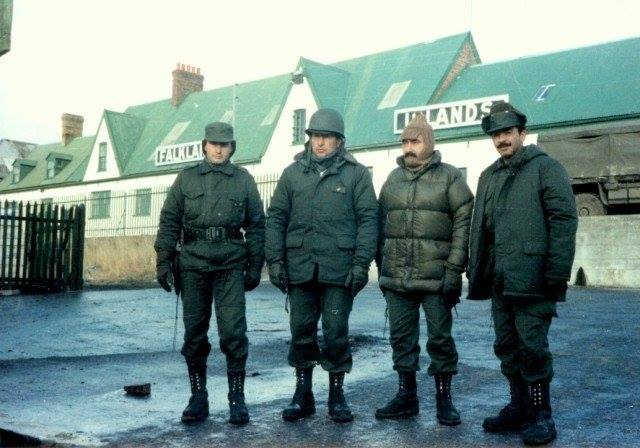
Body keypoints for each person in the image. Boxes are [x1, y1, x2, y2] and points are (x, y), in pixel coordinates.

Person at [467, 102, 577, 445]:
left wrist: (556, 273)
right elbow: (481, 229)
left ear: (522, 134)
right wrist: (478, 272)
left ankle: (542, 415)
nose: (501, 140)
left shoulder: (546, 168)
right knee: (506, 345)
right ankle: (519, 407)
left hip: (534, 278)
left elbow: (564, 221)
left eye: (507, 132)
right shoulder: (489, 176)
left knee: (532, 347)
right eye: (496, 135)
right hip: (500, 279)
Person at [265, 108, 378, 423]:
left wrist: (361, 264)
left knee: (336, 332)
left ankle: (336, 396)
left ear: (339, 141)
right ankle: (302, 395)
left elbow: (369, 220)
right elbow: (276, 218)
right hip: (300, 267)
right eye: (315, 136)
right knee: (301, 331)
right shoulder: (292, 174)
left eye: (327, 137)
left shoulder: (356, 175)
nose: (320, 143)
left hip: (339, 270)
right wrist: (275, 260)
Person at [154, 122, 265, 425]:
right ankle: (198, 397)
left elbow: (257, 224)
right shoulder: (186, 178)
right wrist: (163, 261)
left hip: (230, 264)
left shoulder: (243, 180)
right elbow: (169, 220)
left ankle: (237, 399)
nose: (218, 149)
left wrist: (256, 265)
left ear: (232, 148)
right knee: (194, 333)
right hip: (193, 264)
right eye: (213, 143)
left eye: (224, 144)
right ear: (204, 145)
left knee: (233, 333)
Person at [374, 113, 473, 425]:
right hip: (397, 278)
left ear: (429, 143)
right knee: (401, 339)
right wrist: (383, 268)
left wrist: (454, 269)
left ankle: (445, 400)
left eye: (414, 141)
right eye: (404, 141)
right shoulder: (392, 179)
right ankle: (407, 398)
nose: (408, 147)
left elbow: (464, 222)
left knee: (440, 340)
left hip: (436, 278)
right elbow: (380, 225)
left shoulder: (450, 177)